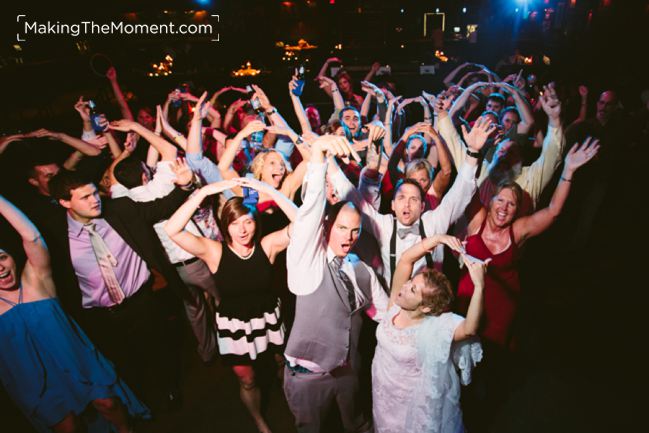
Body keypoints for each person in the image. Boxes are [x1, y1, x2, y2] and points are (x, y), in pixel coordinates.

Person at [456, 137, 600, 431]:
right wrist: (481, 153)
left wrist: (568, 170)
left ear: (516, 210)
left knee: (490, 375)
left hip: (499, 316)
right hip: (465, 306)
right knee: (459, 372)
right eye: (501, 200)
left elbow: (553, 212)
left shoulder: (518, 231)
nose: (505, 208)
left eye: (512, 204)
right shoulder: (477, 219)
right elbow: (463, 188)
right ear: (491, 200)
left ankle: (482, 421)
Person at [45, 166, 194, 411]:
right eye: (85, 197)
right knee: (123, 362)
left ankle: (170, 389)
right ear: (64, 202)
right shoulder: (56, 236)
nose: (95, 200)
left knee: (159, 350)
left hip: (141, 302)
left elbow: (160, 207)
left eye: (94, 193)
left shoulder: (119, 210)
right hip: (101, 316)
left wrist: (186, 186)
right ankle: (137, 402)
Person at [0, 194, 149, 433]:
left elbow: (32, 236)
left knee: (108, 403)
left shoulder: (35, 280)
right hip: (32, 379)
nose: (0, 266)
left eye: (2, 257)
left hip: (75, 360)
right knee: (68, 428)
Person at [165, 176, 297, 433]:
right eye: (235, 223)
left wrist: (266, 189)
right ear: (226, 225)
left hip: (267, 318)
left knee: (281, 363)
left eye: (247, 221)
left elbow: (303, 222)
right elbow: (172, 230)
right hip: (234, 326)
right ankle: (259, 420)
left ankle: (291, 402)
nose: (243, 229)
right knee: (247, 380)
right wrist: (204, 192)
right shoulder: (214, 251)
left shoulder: (267, 246)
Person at [283, 135, 389, 433]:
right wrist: (317, 156)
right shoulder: (309, 263)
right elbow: (309, 215)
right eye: (341, 228)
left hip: (348, 371)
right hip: (308, 378)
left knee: (356, 424)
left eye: (354, 231)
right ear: (328, 226)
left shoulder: (361, 270)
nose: (349, 237)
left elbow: (386, 314)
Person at [372, 234, 487, 433]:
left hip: (409, 408)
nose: (405, 286)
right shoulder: (396, 304)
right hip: (382, 395)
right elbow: (406, 260)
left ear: (425, 308)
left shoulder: (434, 329)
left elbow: (469, 329)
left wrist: (479, 286)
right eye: (410, 282)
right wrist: (438, 239)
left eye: (413, 290)